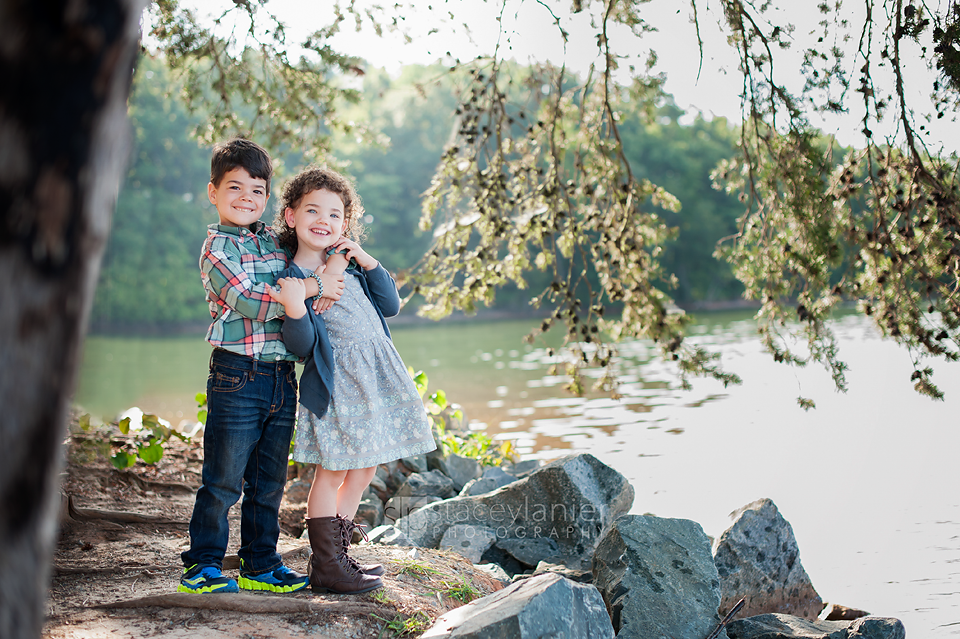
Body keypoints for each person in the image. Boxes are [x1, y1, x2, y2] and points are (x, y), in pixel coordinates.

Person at [179, 139, 345, 594]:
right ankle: (202, 564)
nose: (246, 198)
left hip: (280, 378)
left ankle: (260, 565)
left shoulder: (272, 241)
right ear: (213, 192)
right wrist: (309, 288)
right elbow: (252, 302)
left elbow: (305, 264)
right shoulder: (217, 250)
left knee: (268, 483)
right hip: (236, 375)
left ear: (268, 199)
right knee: (223, 480)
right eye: (235, 187)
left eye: (256, 190)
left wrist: (334, 263)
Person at [269, 167, 436, 594]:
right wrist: (298, 303)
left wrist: (364, 258)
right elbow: (301, 343)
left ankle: (339, 554)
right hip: (340, 382)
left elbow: (391, 304)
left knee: (365, 468)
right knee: (333, 471)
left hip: (376, 375)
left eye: (336, 214)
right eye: (313, 210)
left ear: (346, 224)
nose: (324, 220)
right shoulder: (293, 277)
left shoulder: (349, 264)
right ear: (291, 216)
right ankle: (325, 564)